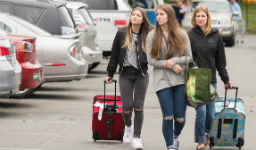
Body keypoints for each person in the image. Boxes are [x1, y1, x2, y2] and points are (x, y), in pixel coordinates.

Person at [146, 4, 192, 150]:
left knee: (180, 118)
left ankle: (176, 135)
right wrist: (169, 65)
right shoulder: (152, 35)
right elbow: (151, 60)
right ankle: (170, 145)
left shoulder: (182, 34)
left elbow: (189, 57)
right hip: (162, 80)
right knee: (168, 116)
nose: (158, 17)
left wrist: (175, 61)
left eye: (162, 14)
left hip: (180, 80)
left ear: (169, 16)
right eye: (157, 14)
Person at [106, 7, 151, 150]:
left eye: (138, 15)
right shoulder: (122, 33)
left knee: (138, 106)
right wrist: (110, 73)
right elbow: (114, 55)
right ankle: (128, 127)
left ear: (143, 19)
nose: (135, 17)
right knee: (127, 107)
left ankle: (137, 137)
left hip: (141, 74)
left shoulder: (148, 34)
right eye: (133, 14)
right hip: (125, 73)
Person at [187, 6, 232, 150]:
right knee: (201, 112)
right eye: (198, 16)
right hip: (196, 79)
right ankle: (200, 141)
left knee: (211, 115)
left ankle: (206, 135)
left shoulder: (216, 35)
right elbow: (186, 57)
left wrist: (225, 79)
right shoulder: (189, 35)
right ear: (194, 18)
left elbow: (220, 61)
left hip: (211, 79)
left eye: (203, 16)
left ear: (208, 18)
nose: (200, 18)